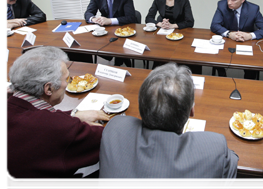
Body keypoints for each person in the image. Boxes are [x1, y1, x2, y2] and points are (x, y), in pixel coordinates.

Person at [98, 62, 238, 189]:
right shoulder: (214, 148)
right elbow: (229, 164)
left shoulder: (115, 127)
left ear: (141, 107)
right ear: (191, 111)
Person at [5, 46, 110, 189]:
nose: (68, 83)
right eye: (66, 79)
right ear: (48, 89)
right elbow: (108, 140)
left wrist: (74, 116)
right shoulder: (55, 127)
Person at [210, 0, 263, 79]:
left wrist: (250, 36)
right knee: (217, 59)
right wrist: (229, 34)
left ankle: (248, 83)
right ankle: (222, 78)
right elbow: (214, 25)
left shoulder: (253, 9)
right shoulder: (222, 5)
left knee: (250, 68)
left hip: (245, 43)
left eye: (233, 0)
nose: (229, 2)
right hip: (226, 43)